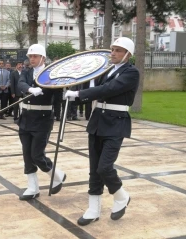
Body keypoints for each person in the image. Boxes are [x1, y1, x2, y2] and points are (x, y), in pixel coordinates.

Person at [64, 37, 139, 225]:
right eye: (113, 49)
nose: (112, 53)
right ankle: (93, 209)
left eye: (118, 50)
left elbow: (109, 89)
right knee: (94, 170)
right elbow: (91, 85)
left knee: (104, 167)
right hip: (97, 122)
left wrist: (80, 94)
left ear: (128, 54)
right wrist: (71, 88)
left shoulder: (131, 73)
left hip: (116, 124)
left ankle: (121, 195)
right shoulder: (105, 71)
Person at [17, 44, 66, 201]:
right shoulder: (26, 72)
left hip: (43, 119)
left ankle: (57, 174)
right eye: (30, 56)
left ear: (43, 58)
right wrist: (30, 89)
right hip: (25, 117)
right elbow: (20, 83)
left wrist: (61, 94)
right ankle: (33, 187)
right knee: (27, 155)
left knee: (37, 155)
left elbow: (58, 95)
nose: (32, 59)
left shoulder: (51, 74)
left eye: (35, 56)